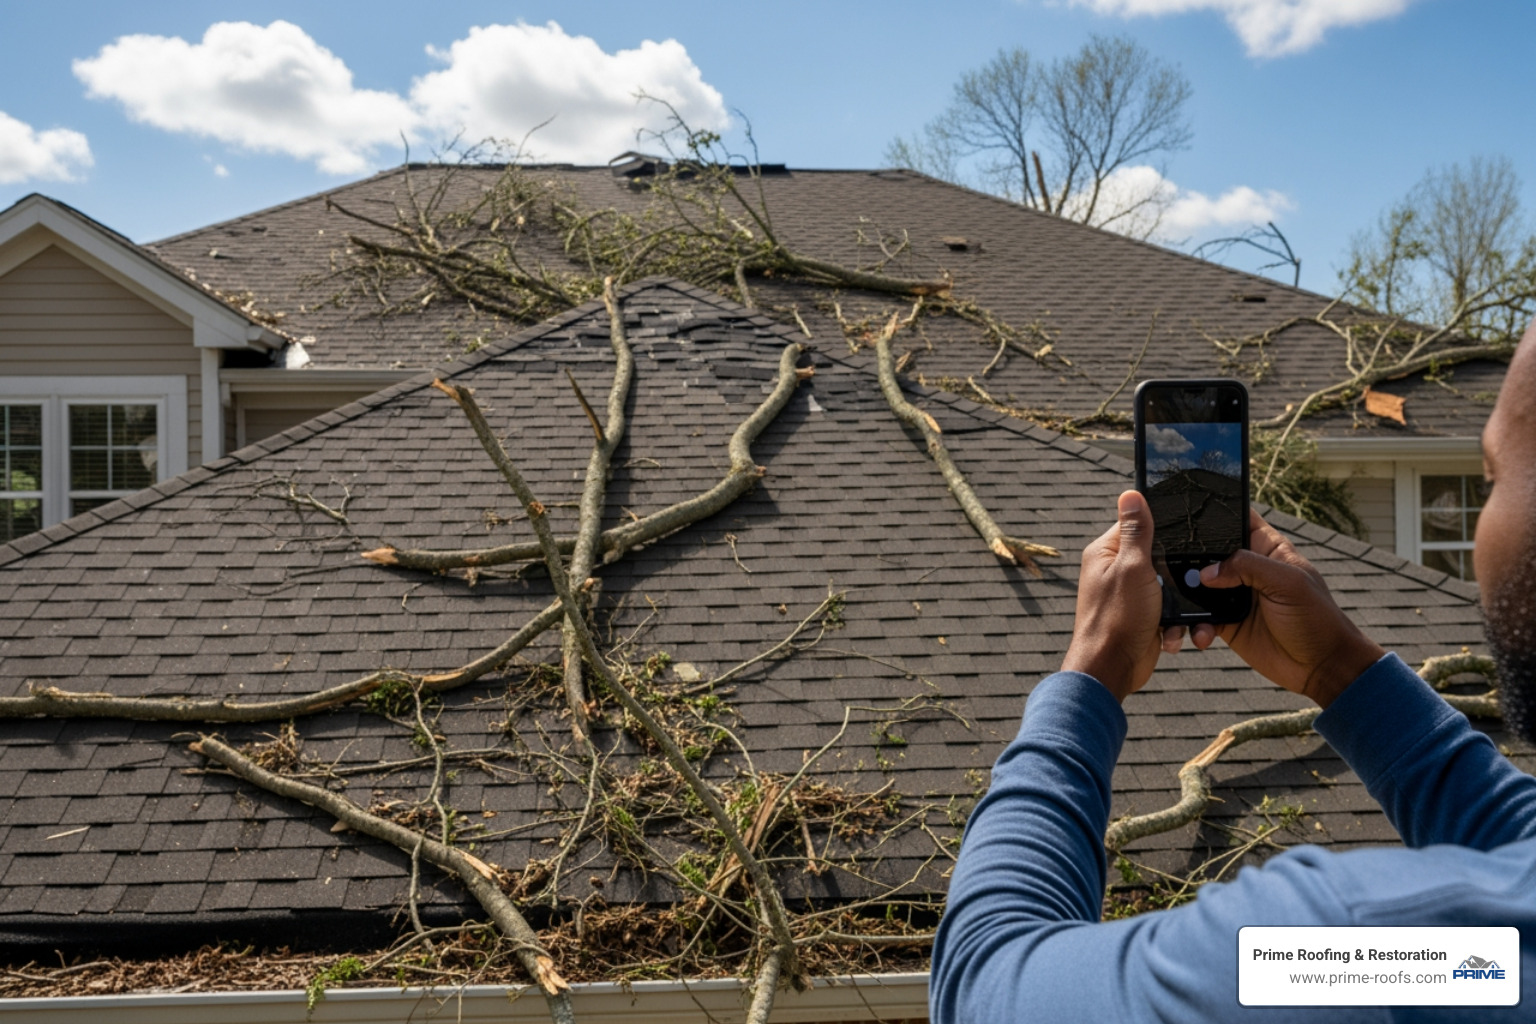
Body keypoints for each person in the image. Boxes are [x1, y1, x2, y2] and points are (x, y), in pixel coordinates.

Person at [929, 322, 1536, 1022]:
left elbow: (983, 981)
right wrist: (1337, 668)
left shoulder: (1367, 952)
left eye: (1489, 479)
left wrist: (1093, 670)